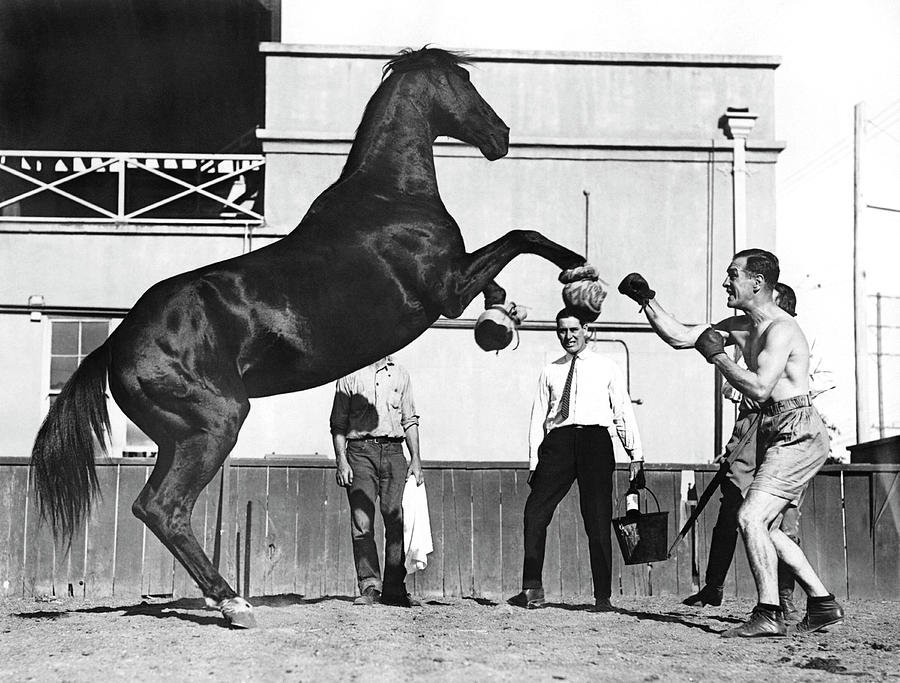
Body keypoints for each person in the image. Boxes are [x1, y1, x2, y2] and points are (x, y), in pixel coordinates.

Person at [619, 249, 844, 637]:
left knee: (749, 517)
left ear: (757, 283)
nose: (726, 282)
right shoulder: (743, 324)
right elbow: (682, 337)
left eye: (733, 274)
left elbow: (758, 386)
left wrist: (720, 358)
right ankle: (822, 604)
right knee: (769, 527)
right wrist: (646, 300)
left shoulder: (781, 329)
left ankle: (769, 614)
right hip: (777, 428)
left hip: (798, 429)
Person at [682, 282, 814, 619]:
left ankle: (784, 600)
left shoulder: (795, 336)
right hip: (749, 428)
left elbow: (808, 387)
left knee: (781, 521)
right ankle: (714, 587)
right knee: (733, 509)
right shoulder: (749, 333)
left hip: (787, 428)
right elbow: (735, 385)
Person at [508, 307, 645, 612]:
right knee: (534, 513)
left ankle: (602, 597)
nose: (567, 336)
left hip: (595, 442)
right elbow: (538, 419)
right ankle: (532, 589)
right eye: (562, 331)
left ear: (586, 329)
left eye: (573, 330)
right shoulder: (550, 370)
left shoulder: (606, 367)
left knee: (596, 519)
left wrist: (635, 454)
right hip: (558, 443)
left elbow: (622, 410)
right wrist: (534, 461)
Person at [330, 356, 424, 607]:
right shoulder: (349, 374)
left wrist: (416, 459)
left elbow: (410, 420)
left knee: (396, 522)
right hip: (359, 454)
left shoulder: (401, 374)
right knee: (362, 524)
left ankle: (395, 588)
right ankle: (370, 585)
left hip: (394, 453)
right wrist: (342, 460)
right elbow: (338, 423)